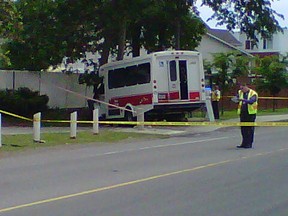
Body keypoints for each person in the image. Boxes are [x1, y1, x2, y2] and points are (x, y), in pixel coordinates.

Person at [236, 83, 258, 149]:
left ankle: (249, 143)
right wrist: (235, 99)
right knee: (243, 129)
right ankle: (244, 143)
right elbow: (237, 97)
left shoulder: (253, 93)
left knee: (249, 129)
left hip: (250, 114)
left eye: (242, 88)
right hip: (243, 113)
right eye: (240, 88)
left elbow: (252, 101)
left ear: (246, 87)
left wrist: (243, 100)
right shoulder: (240, 92)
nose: (241, 90)